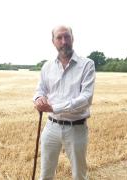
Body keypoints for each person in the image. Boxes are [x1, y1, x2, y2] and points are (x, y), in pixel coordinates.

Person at [33, 25, 95, 180]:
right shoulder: (47, 66)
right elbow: (40, 90)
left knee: (79, 175)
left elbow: (85, 99)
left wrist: (53, 107)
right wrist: (38, 99)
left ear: (73, 38)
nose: (64, 41)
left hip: (76, 128)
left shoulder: (87, 64)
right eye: (59, 38)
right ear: (53, 41)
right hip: (51, 127)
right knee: (45, 174)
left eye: (67, 37)